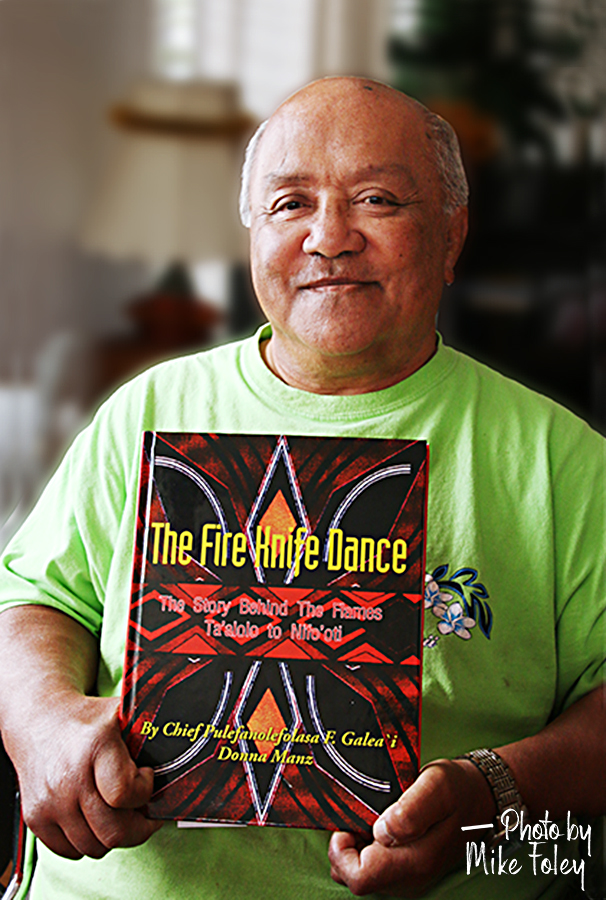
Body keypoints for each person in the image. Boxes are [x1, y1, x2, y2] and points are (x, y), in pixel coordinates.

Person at [0, 77, 603, 900]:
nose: (329, 238)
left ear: (452, 236)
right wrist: (39, 719)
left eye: (378, 199)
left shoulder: (560, 460)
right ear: (252, 233)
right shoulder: (146, 411)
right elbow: (34, 597)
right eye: (290, 204)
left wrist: (496, 795)